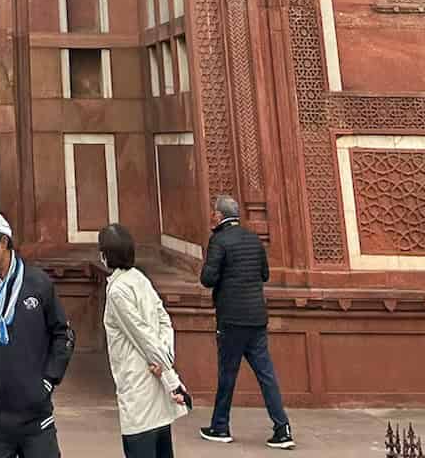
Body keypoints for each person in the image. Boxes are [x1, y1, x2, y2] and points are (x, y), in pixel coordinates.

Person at [0, 208, 74, 458]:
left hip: (36, 421)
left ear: (4, 242)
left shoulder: (38, 284)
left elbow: (62, 335)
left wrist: (48, 380)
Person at [198, 195, 292, 449]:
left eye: (213, 213)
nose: (211, 217)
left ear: (219, 216)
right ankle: (282, 428)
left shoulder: (219, 240)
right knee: (266, 374)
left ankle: (220, 426)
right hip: (257, 317)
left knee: (228, 373)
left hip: (231, 319)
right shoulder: (253, 239)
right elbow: (264, 274)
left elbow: (208, 278)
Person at [99, 222, 187, 458]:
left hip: (139, 387)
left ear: (105, 255)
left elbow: (142, 336)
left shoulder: (118, 290)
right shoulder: (139, 278)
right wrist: (167, 360)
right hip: (155, 382)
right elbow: (163, 322)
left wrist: (170, 375)